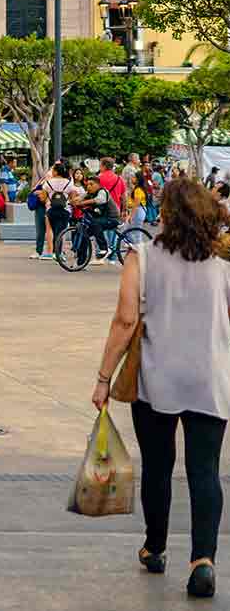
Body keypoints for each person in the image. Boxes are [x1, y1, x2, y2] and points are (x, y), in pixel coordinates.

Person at [92, 179, 230, 598]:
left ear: (166, 215)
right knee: (204, 469)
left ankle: (155, 548)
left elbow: (125, 321)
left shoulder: (144, 258)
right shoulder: (225, 262)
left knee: (158, 465)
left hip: (157, 379)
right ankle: (203, 561)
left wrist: (103, 378)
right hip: (211, 378)